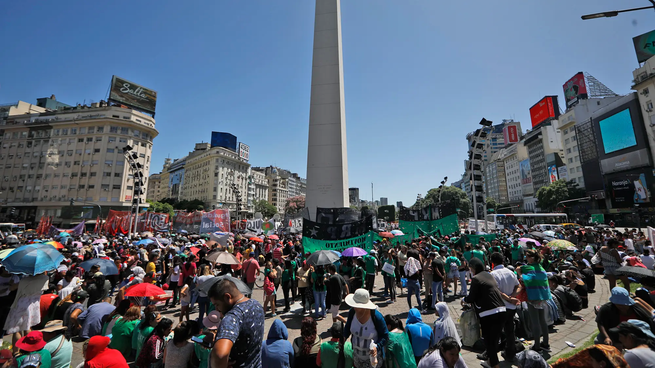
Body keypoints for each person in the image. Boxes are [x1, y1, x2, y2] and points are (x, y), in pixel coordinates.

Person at [209, 278, 265, 368]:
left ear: (227, 297)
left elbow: (220, 355)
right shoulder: (256, 304)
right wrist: (219, 338)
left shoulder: (232, 317)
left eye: (217, 304)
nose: (216, 309)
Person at [463, 258, 506, 368]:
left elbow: (471, 297)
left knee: (489, 342)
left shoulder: (476, 278)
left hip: (488, 313)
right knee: (494, 340)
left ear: (474, 267)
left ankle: (495, 365)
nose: (470, 270)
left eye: (471, 268)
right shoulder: (489, 275)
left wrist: (464, 300)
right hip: (501, 309)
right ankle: (490, 362)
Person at [343, 289, 389, 368]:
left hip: (372, 360)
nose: (353, 306)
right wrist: (344, 337)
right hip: (357, 358)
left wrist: (377, 347)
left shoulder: (376, 317)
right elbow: (347, 327)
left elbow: (385, 336)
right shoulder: (352, 312)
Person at [4, 273, 49, 351]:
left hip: (22, 304)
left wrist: (12, 284)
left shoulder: (25, 280)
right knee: (28, 327)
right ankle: (28, 349)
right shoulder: (45, 278)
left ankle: (16, 352)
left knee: (17, 330)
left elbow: (12, 288)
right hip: (34, 304)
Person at [518, 249, 551, 353]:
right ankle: (546, 343)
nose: (526, 258)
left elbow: (521, 274)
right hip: (543, 296)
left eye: (527, 257)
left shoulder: (529, 268)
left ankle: (537, 346)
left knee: (535, 322)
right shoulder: (541, 268)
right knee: (543, 321)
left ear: (531, 258)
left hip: (534, 297)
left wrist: (520, 274)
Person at [489, 252, 519, 361]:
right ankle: (510, 354)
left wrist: (509, 298)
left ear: (492, 262)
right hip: (511, 307)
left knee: (495, 333)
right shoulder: (510, 272)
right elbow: (517, 285)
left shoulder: (493, 274)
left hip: (500, 307)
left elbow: (496, 291)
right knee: (510, 331)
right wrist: (512, 296)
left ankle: (491, 357)